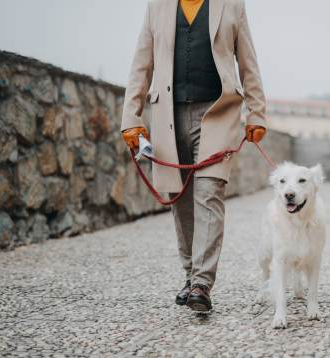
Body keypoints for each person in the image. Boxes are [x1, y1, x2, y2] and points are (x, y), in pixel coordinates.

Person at [120, 0, 266, 312]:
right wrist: (131, 118)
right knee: (180, 195)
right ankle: (190, 276)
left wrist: (257, 114)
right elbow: (142, 65)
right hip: (167, 114)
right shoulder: (156, 6)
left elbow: (248, 62)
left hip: (217, 113)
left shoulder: (232, 5)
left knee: (209, 191)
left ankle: (202, 283)